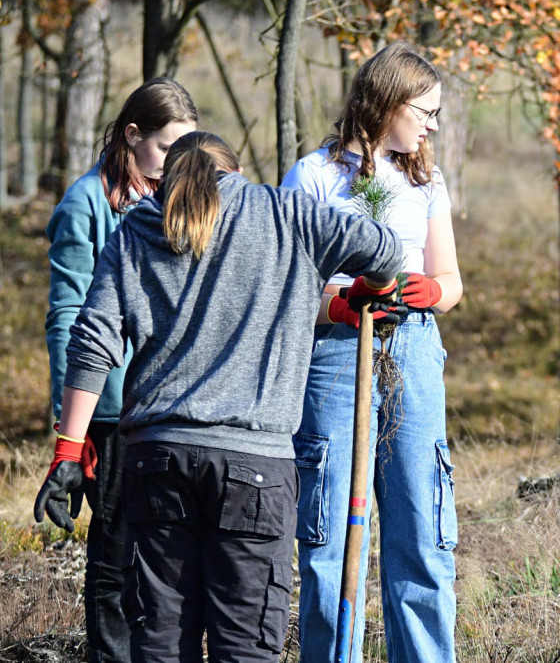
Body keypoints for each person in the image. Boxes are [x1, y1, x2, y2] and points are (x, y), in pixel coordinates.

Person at [33, 131, 403, 662]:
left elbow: (92, 343)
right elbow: (385, 248)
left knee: (159, 644)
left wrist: (69, 451)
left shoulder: (139, 225)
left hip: (156, 463)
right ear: (235, 172)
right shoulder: (287, 213)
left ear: (171, 179)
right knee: (245, 649)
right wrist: (375, 288)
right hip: (255, 469)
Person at [280, 41, 463, 662]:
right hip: (336, 354)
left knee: (423, 529)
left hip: (412, 346)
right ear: (386, 101)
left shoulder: (426, 180)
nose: (432, 124)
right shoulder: (313, 176)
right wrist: (342, 300)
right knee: (332, 535)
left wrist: (431, 290)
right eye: (424, 109)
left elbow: (453, 283)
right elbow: (287, 283)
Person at [36, 77, 197, 663]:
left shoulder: (176, 202)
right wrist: (71, 437)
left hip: (173, 403)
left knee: (167, 555)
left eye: (185, 151)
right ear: (132, 136)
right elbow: (70, 319)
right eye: (163, 149)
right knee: (115, 557)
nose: (172, 165)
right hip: (110, 410)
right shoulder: (85, 205)